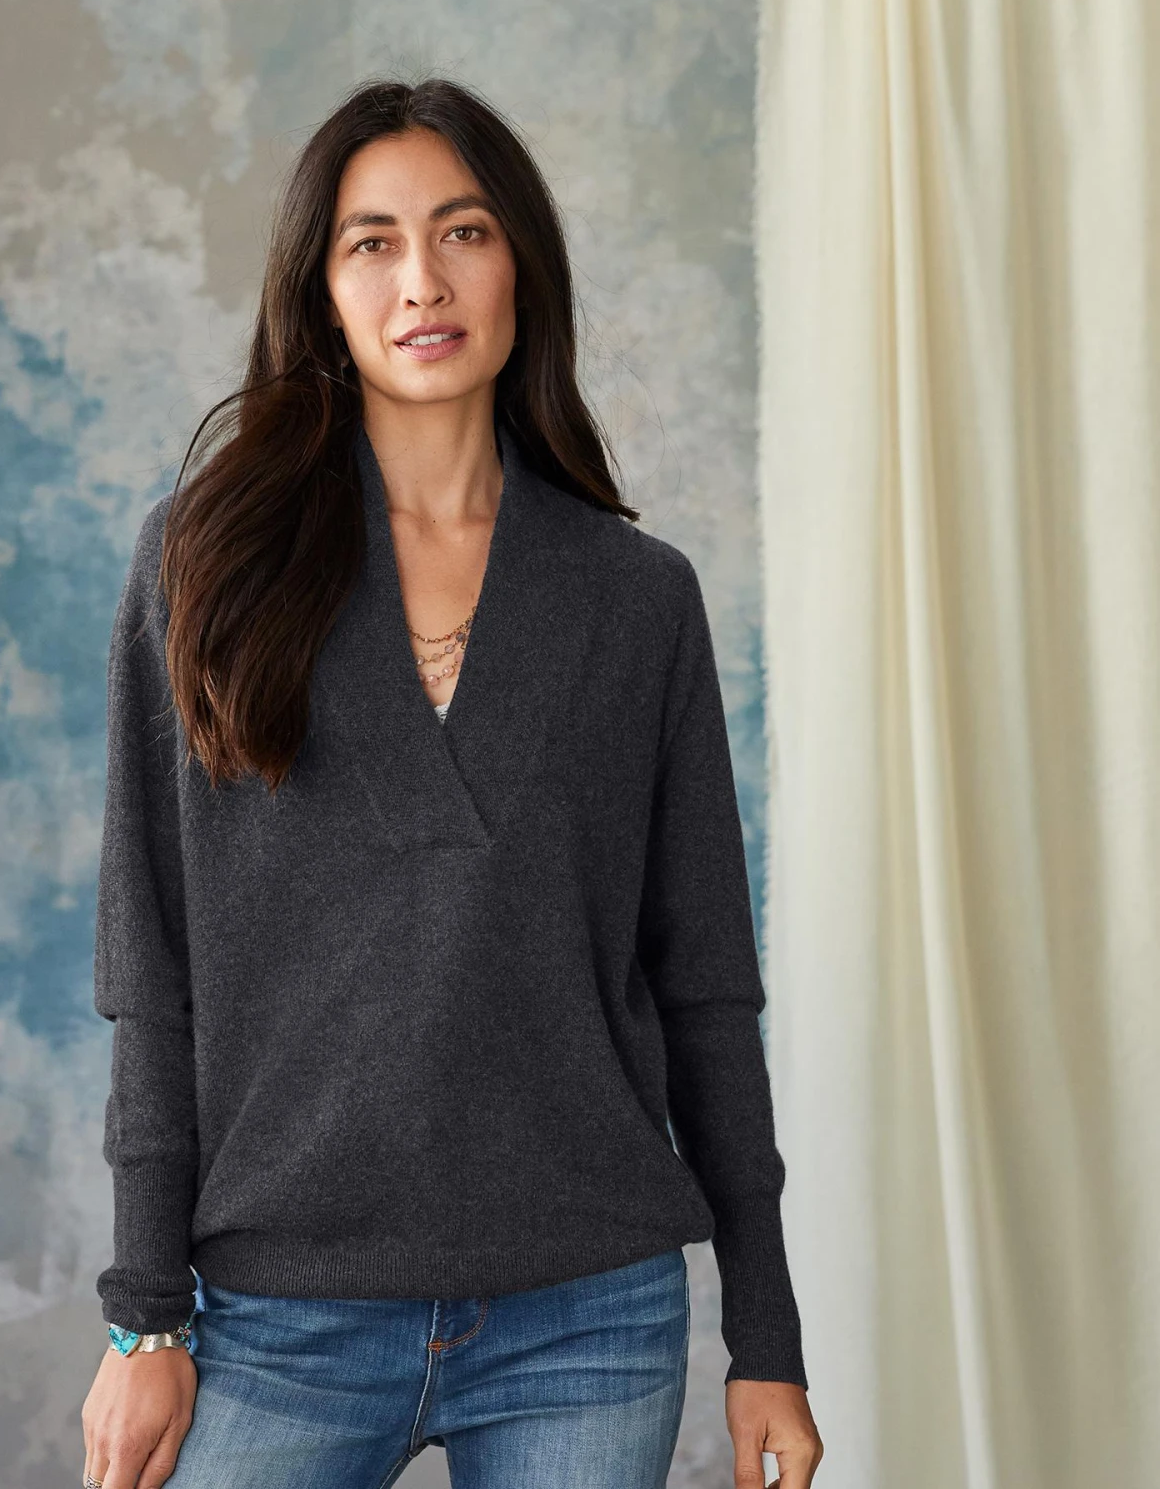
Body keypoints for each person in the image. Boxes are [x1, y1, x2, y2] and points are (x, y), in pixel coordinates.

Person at [80, 76, 824, 1489]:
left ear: (520, 265)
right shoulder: (202, 567)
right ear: (321, 290)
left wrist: (767, 1340)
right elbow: (150, 965)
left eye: (463, 232)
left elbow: (707, 993)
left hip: (587, 1316)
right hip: (275, 1318)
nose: (421, 279)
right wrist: (144, 1315)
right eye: (371, 242)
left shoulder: (637, 599)